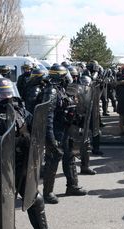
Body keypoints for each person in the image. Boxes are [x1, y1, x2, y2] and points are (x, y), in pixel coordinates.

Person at [0, 77, 57, 229]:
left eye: (9, 92)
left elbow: (34, 124)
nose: (7, 96)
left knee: (35, 199)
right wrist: (15, 141)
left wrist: (33, 138)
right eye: (2, 93)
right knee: (5, 209)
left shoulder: (20, 110)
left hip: (23, 164)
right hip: (2, 168)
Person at [42, 64, 88, 203]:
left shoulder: (61, 90)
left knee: (70, 158)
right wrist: (51, 139)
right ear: (60, 77)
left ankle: (72, 186)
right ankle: (48, 192)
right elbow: (47, 117)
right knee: (52, 162)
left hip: (66, 129)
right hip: (56, 132)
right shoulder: (52, 92)